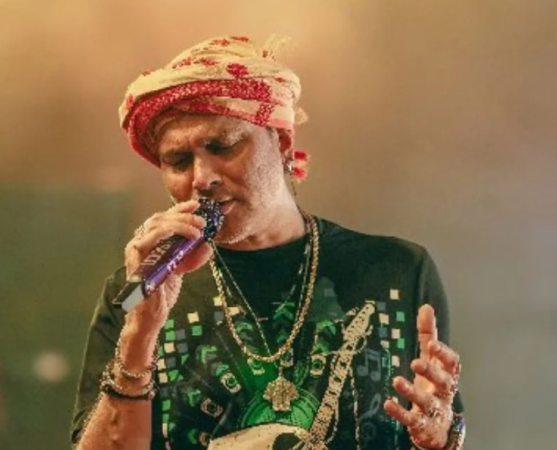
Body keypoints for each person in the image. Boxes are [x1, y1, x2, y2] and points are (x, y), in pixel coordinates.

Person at [71, 35, 466, 450]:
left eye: (222, 146)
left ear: (282, 142)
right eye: (178, 160)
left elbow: (434, 423)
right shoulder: (137, 293)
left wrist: (439, 438)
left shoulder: (396, 271)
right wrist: (139, 335)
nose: (202, 178)